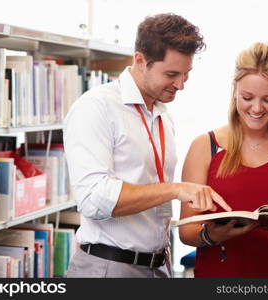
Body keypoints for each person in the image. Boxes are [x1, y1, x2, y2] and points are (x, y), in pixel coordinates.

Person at [63, 13, 231, 278]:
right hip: (109, 268)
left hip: (157, 265)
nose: (180, 85)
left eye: (186, 74)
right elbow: (94, 198)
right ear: (140, 60)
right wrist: (175, 190)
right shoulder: (96, 108)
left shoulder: (163, 113)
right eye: (172, 74)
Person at [179, 42, 268, 277]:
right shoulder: (205, 146)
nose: (256, 108)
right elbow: (186, 231)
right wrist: (211, 235)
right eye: (247, 97)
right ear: (235, 90)